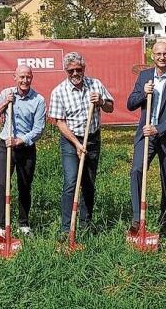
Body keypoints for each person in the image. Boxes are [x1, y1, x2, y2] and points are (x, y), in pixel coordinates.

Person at [126, 41, 166, 237]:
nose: (162, 57)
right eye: (158, 54)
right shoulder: (145, 77)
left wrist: (158, 128)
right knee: (137, 170)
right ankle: (138, 219)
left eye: (165, 53)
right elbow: (130, 103)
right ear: (152, 56)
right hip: (146, 135)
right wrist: (143, 93)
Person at [48, 52, 114, 241]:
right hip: (71, 141)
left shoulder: (95, 85)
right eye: (71, 70)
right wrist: (77, 144)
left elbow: (111, 107)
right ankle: (66, 228)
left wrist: (101, 101)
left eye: (79, 69)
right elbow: (60, 122)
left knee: (88, 183)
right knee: (71, 182)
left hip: (92, 139)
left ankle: (85, 224)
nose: (75, 73)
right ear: (65, 71)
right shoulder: (59, 91)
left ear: (84, 68)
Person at [0, 64, 46, 237]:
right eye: (21, 77)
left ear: (32, 78)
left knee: (25, 185)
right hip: (6, 146)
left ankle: (23, 224)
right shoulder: (6, 94)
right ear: (15, 77)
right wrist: (5, 103)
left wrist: (20, 140)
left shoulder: (38, 100)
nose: (24, 80)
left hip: (25, 147)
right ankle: (2, 226)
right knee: (2, 185)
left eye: (28, 77)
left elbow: (38, 129)